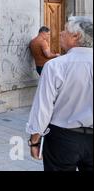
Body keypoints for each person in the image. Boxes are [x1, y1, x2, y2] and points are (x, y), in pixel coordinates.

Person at [26, 16, 93, 171]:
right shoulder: (54, 65)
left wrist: (34, 140)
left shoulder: (55, 66)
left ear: (76, 36)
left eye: (65, 30)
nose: (60, 33)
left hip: (62, 139)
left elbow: (42, 109)